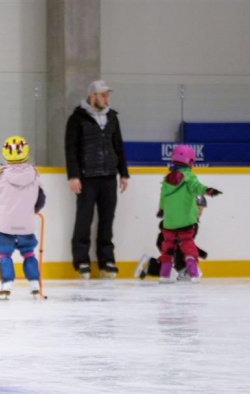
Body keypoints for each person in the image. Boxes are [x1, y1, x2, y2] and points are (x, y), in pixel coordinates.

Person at [64, 80, 130, 280]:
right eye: (103, 95)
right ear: (93, 96)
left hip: (109, 176)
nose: (107, 99)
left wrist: (124, 173)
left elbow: (118, 145)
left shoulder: (112, 117)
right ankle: (82, 261)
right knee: (84, 220)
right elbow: (71, 148)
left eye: (107, 95)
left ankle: (107, 260)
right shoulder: (77, 118)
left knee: (107, 220)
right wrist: (73, 175)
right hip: (87, 177)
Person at [0, 136, 46, 299]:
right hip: (26, 224)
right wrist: (34, 209)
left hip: (5, 224)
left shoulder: (3, 175)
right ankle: (35, 284)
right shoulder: (34, 174)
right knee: (29, 253)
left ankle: (6, 284)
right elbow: (41, 198)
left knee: (5, 254)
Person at [155, 145, 222, 283]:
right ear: (190, 162)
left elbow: (162, 197)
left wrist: (161, 210)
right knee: (187, 245)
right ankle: (193, 274)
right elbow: (197, 187)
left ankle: (164, 275)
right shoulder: (189, 177)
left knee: (167, 246)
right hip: (186, 221)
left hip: (169, 222)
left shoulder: (167, 179)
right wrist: (208, 191)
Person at [134, 195, 209, 281]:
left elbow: (188, 243)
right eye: (197, 208)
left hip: (175, 245)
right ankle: (180, 270)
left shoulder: (193, 225)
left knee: (172, 272)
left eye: (201, 209)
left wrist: (199, 252)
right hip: (167, 242)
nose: (200, 212)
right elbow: (163, 224)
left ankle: (151, 266)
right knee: (175, 265)